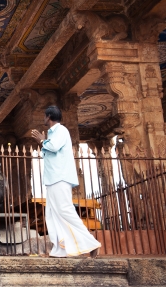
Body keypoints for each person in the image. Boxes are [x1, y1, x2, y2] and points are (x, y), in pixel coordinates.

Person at [31, 106, 101, 258]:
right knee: (51, 213)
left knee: (65, 210)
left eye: (44, 116)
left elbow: (54, 147)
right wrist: (44, 142)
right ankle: (60, 249)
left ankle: (91, 242)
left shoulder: (61, 130)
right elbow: (50, 150)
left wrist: (42, 141)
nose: (44, 118)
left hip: (60, 177)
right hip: (52, 179)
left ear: (48, 116)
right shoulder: (52, 133)